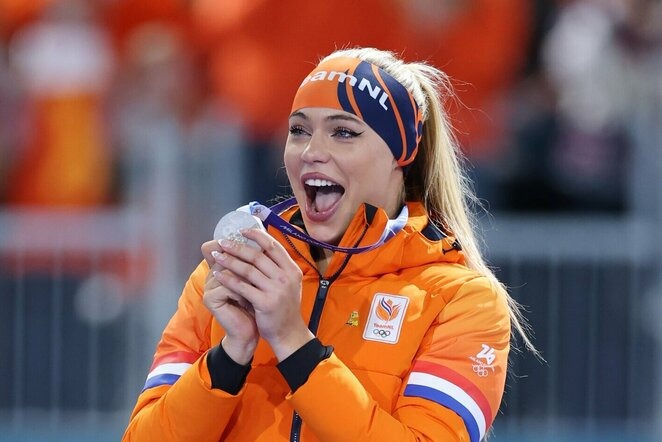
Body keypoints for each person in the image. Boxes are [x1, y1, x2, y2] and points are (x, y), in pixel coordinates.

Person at [123, 47, 535, 441]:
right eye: (299, 130)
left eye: (343, 132)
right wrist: (229, 355)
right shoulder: (233, 276)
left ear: (402, 153)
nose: (311, 151)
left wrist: (292, 341)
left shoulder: (461, 300)